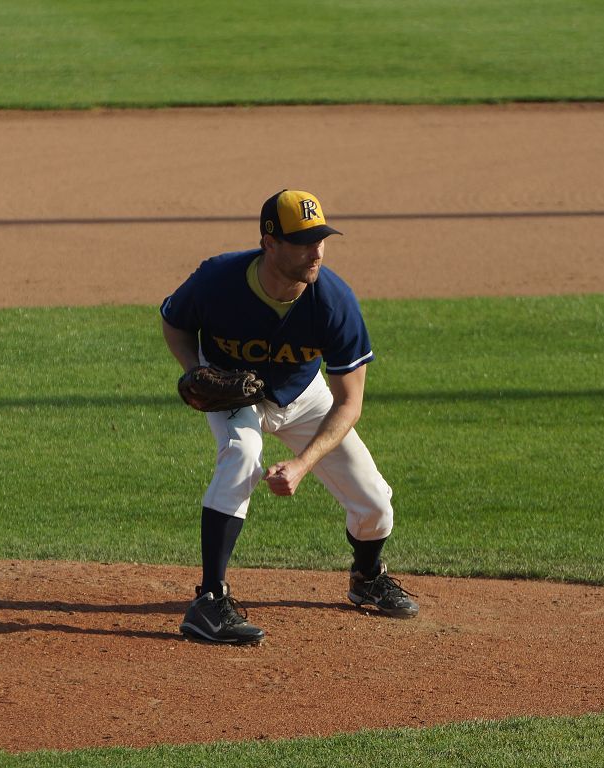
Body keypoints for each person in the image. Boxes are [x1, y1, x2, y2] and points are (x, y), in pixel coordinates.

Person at [160, 189, 418, 645]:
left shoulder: (335, 301)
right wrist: (195, 370)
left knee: (375, 502)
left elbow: (349, 403)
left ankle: (366, 577)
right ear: (270, 243)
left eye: (320, 239)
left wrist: (302, 464)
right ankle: (209, 601)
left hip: (305, 395)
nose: (316, 251)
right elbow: (175, 323)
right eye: (302, 241)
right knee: (243, 454)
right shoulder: (217, 280)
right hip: (232, 389)